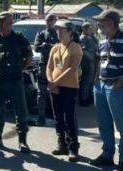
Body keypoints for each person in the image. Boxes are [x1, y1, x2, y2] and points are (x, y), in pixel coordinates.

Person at [90, 9, 123, 171]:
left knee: (122, 125)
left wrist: (121, 81)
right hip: (101, 85)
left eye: (101, 23)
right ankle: (107, 154)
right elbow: (100, 62)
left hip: (116, 86)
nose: (99, 26)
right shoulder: (102, 41)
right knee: (104, 123)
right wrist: (96, 81)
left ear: (111, 23)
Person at [0, 12, 32, 153]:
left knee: (20, 111)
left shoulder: (19, 38)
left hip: (15, 80)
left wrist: (19, 69)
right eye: (0, 23)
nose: (1, 25)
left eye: (5, 23)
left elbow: (28, 57)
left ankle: (22, 141)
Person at [47, 19, 83, 161]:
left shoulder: (75, 47)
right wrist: (51, 82)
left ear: (70, 32)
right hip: (55, 87)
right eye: (57, 30)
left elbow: (72, 68)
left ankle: (73, 148)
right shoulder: (55, 47)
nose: (58, 32)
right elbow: (49, 67)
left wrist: (55, 83)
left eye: (61, 30)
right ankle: (61, 144)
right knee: (57, 117)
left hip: (69, 87)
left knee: (69, 118)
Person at [33, 13, 58, 126]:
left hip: (56, 67)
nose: (49, 22)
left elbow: (62, 47)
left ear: (55, 21)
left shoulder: (59, 33)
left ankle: (56, 116)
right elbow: (36, 48)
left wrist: (49, 46)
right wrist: (47, 46)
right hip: (44, 66)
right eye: (47, 20)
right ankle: (41, 117)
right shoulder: (41, 33)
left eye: (51, 20)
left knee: (56, 92)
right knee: (41, 93)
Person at [78, 21, 98, 106]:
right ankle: (84, 99)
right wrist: (91, 57)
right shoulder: (83, 38)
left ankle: (89, 97)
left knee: (90, 81)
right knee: (85, 81)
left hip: (92, 62)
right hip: (86, 62)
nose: (91, 30)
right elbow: (82, 50)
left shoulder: (90, 37)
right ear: (84, 29)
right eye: (89, 28)